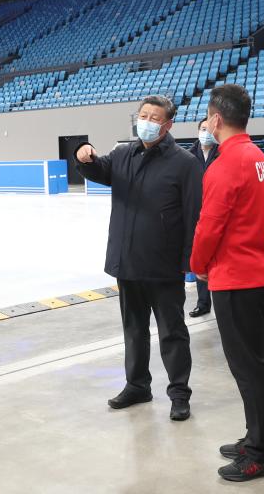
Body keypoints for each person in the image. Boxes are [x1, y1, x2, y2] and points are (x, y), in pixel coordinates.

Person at [75, 95, 202, 422]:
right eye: (143, 115)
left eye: (154, 118)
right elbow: (99, 169)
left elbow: (194, 216)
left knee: (172, 332)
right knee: (133, 329)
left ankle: (179, 393)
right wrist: (84, 154)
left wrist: (190, 262)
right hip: (128, 261)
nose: (146, 121)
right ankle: (137, 385)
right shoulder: (123, 154)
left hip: (164, 266)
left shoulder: (184, 163)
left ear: (168, 124)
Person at [190, 84, 264, 482]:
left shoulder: (225, 164)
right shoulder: (258, 157)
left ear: (215, 119)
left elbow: (210, 224)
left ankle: (263, 453)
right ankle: (260, 437)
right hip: (260, 271)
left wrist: (198, 265)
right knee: (262, 364)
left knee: (248, 368)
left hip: (236, 277)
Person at [188, 118, 219, 318]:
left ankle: (220, 299)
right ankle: (203, 303)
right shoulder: (188, 155)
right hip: (196, 212)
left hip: (217, 211)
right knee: (200, 257)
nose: (205, 132)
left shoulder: (222, 153)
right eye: (202, 129)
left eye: (209, 129)